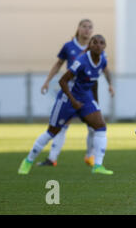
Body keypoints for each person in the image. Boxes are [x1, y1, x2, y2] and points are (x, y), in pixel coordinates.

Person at [18, 35, 114, 175]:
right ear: (91, 45)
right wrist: (73, 101)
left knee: (100, 127)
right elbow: (63, 81)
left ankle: (98, 166)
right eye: (95, 42)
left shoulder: (103, 61)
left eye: (102, 43)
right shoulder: (81, 61)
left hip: (85, 98)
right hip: (67, 99)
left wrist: (97, 102)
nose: (98, 45)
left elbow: (95, 81)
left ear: (105, 46)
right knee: (52, 132)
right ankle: (28, 161)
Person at [37, 19, 114, 167]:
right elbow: (58, 64)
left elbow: (105, 68)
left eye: (90, 27)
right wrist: (47, 80)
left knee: (94, 126)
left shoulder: (97, 47)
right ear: (78, 29)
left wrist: (110, 85)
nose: (87, 29)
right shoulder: (69, 46)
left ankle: (90, 156)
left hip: (91, 89)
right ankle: (52, 159)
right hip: (72, 90)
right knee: (63, 126)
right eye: (84, 27)